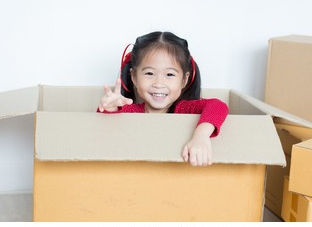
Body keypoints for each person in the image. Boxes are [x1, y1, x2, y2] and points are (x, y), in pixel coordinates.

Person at [98, 31, 228, 166]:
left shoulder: (183, 109)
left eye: (170, 74)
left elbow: (218, 106)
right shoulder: (131, 111)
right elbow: (104, 131)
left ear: (184, 80)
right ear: (134, 77)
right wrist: (110, 108)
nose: (159, 83)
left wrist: (201, 137)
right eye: (149, 73)